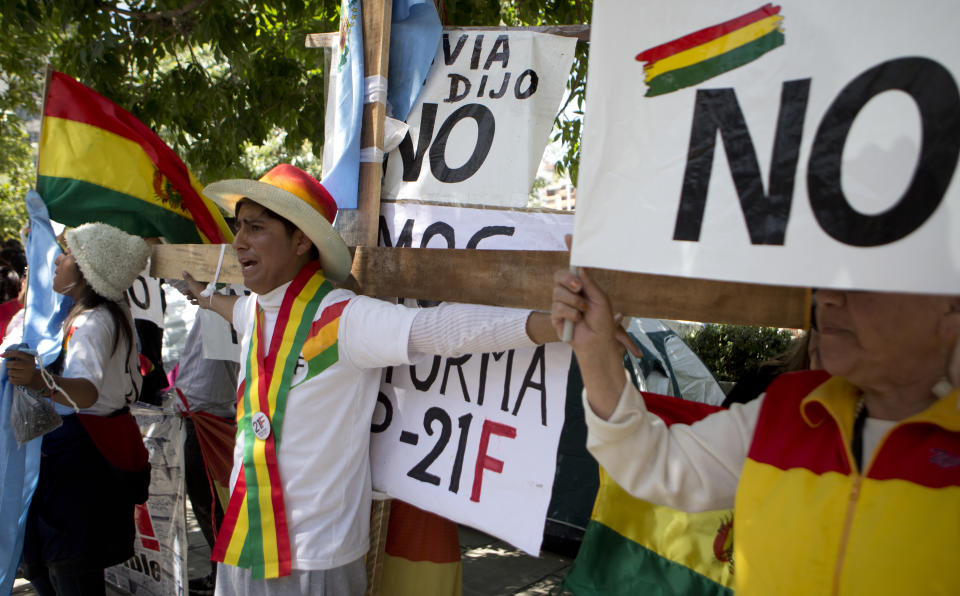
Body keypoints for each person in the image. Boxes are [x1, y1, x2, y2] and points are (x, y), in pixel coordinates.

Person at [179, 164, 557, 596]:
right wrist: (205, 299)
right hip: (244, 537)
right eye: (239, 226)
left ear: (302, 240)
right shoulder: (254, 310)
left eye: (256, 227)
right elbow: (234, 314)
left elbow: (442, 331)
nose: (239, 240)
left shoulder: (343, 318)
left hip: (315, 558)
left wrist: (552, 325)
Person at [552, 250, 960, 594]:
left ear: (949, 306)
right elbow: (652, 464)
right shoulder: (787, 410)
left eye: (863, 283)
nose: (828, 297)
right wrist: (595, 350)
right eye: (826, 278)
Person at [2, 222, 152, 595]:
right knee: (45, 565)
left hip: (86, 464)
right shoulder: (76, 312)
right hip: (69, 458)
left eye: (68, 253)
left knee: (72, 572)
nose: (56, 260)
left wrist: (39, 381)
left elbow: (84, 392)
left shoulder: (95, 321)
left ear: (87, 269)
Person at [174, 314, 240, 596]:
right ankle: (221, 574)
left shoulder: (226, 306)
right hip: (207, 413)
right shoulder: (216, 306)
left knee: (212, 507)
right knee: (212, 506)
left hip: (208, 416)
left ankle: (225, 576)